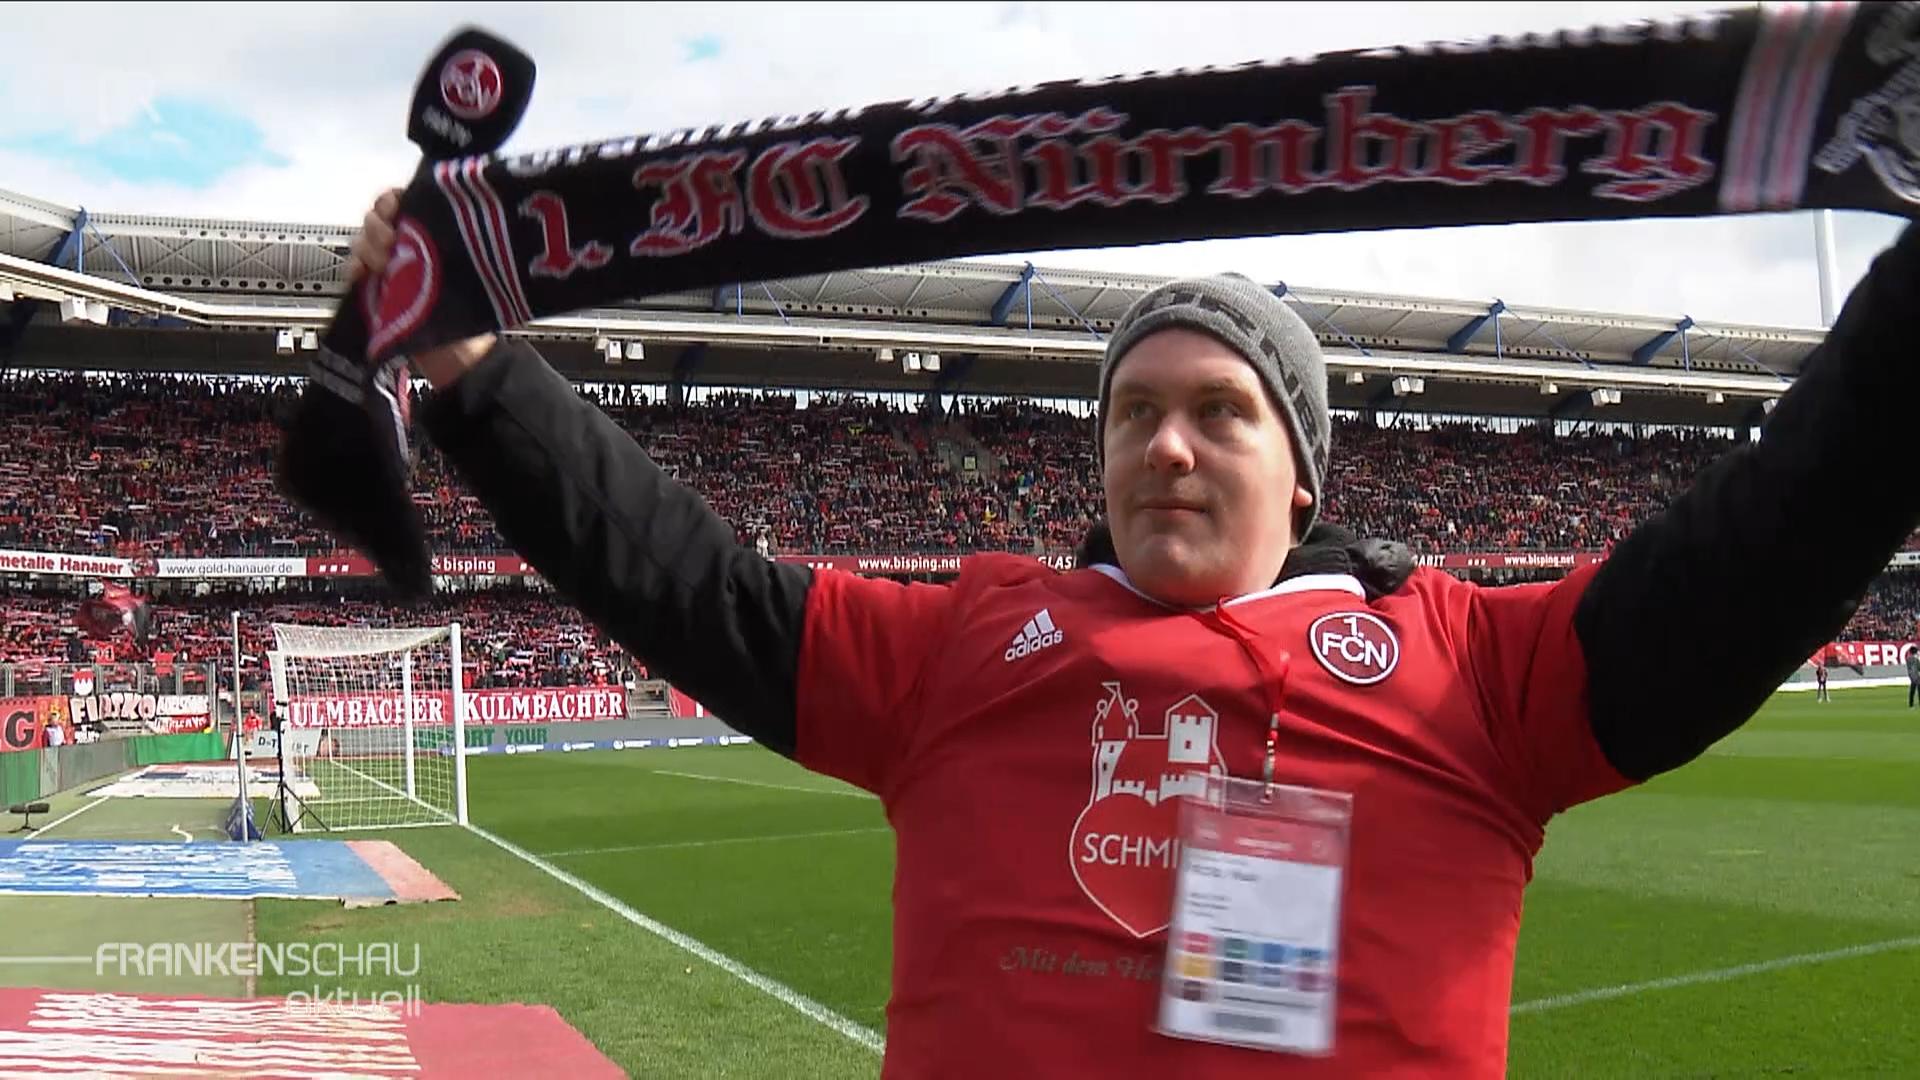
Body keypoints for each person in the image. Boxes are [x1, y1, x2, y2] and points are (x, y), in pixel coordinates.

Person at [343, 190, 1920, 1077]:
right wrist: (480, 371)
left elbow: (1772, 541)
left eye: (1221, 413)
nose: (1170, 446)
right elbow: (682, 576)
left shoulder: (1476, 672)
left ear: (1304, 473)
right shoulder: (970, 641)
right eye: (1137, 414)